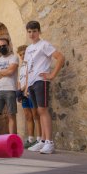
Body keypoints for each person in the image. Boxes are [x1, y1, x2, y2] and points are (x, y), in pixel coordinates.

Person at [25, 21, 65, 154]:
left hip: (41, 81)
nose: (32, 34)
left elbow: (60, 57)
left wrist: (52, 75)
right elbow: (26, 68)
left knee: (43, 110)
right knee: (36, 112)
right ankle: (42, 141)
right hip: (31, 83)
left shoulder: (44, 45)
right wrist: (25, 86)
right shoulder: (28, 48)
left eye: (34, 31)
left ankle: (49, 142)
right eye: (29, 32)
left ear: (39, 31)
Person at [0, 38, 19, 135]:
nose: (2, 48)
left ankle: (12, 138)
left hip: (10, 89)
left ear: (8, 45)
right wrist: (4, 72)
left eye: (4, 46)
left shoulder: (14, 58)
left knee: (11, 115)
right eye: (0, 47)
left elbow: (11, 72)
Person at [17, 45, 41, 148]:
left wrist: (24, 89)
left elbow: (29, 77)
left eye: (24, 53)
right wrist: (18, 91)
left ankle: (40, 138)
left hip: (29, 91)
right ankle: (31, 138)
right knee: (28, 115)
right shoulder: (21, 66)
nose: (22, 56)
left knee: (36, 115)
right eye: (20, 54)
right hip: (23, 93)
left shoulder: (30, 63)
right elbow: (20, 79)